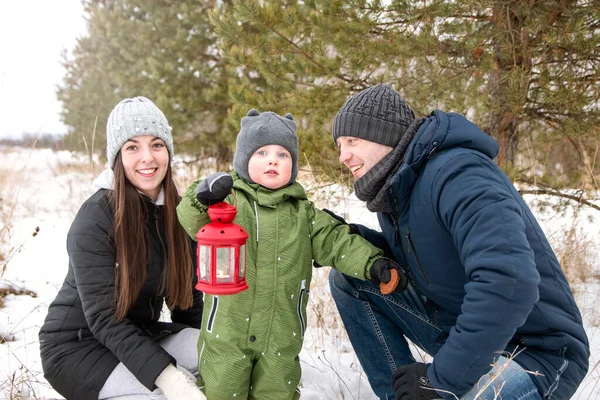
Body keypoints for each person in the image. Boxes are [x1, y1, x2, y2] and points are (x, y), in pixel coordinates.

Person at [327, 84, 590, 400]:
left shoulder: (459, 173)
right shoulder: (397, 190)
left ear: (384, 134)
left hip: (536, 351)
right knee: (350, 275)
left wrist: (440, 381)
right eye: (339, 145)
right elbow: (425, 257)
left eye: (352, 141)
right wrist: (352, 243)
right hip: (463, 332)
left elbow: (510, 281)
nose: (343, 156)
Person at [177, 109, 404, 400]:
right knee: (221, 389)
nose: (273, 159)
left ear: (293, 165)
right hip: (227, 332)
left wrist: (372, 263)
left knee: (277, 392)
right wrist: (203, 196)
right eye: (261, 152)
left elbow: (337, 241)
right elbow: (190, 217)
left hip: (281, 335)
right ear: (243, 159)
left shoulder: (304, 214)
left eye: (283, 155)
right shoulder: (228, 199)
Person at [39, 97, 206, 400]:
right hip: (78, 348)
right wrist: (172, 380)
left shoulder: (176, 211)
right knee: (164, 396)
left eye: (156, 144)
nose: (147, 157)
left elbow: (188, 303)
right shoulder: (96, 219)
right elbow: (104, 319)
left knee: (224, 357)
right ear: (117, 156)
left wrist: (215, 353)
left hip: (139, 335)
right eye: (132, 147)